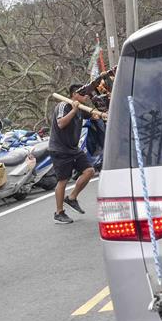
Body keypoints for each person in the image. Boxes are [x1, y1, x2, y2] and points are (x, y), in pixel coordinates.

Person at [50, 85, 101, 224]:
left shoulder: (81, 109)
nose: (85, 96)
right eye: (82, 93)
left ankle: (71, 198)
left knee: (89, 171)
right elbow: (61, 123)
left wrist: (100, 115)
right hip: (60, 149)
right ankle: (59, 213)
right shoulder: (63, 105)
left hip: (74, 149)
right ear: (74, 94)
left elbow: (93, 115)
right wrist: (74, 109)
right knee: (63, 180)